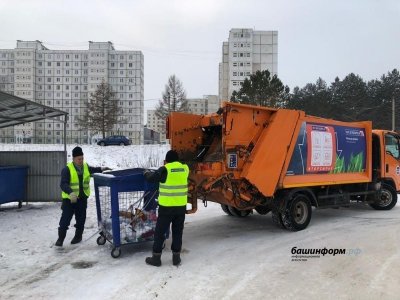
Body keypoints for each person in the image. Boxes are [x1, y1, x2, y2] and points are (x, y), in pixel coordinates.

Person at [55, 146, 111, 247]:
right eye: (79, 159)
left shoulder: (85, 167)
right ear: (73, 159)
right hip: (69, 200)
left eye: (82, 158)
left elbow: (93, 170)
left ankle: (78, 236)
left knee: (81, 219)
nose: (81, 160)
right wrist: (70, 192)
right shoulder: (67, 169)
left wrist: (102, 169)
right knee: (65, 221)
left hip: (82, 199)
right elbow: (63, 184)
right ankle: (60, 239)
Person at [144, 150, 189, 267]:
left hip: (166, 208)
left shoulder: (165, 169)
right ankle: (176, 258)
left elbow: (151, 178)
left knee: (160, 232)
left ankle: (156, 258)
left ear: (166, 160)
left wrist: (146, 173)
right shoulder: (185, 169)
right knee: (178, 232)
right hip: (180, 207)